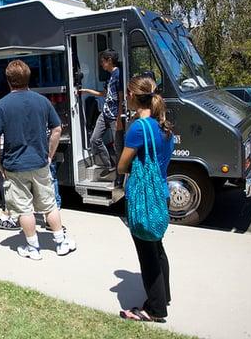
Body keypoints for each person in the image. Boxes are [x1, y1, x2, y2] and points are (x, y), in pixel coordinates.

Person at [0, 60, 76, 260]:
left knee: (24, 208)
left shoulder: (1, 106)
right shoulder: (42, 101)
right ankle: (60, 242)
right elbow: (57, 129)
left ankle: (33, 248)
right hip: (40, 162)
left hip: (14, 165)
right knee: (49, 205)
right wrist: (50, 154)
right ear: (28, 78)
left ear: (8, 81)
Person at [117, 76, 174, 323]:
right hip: (160, 193)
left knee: (147, 255)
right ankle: (164, 296)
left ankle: (155, 309)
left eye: (127, 93)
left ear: (132, 96)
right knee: (157, 249)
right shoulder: (164, 126)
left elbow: (121, 166)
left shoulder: (139, 128)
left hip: (143, 198)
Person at [78, 49, 125, 182]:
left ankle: (120, 177)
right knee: (94, 139)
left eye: (102, 62)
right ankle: (109, 164)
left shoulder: (118, 75)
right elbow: (103, 94)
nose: (101, 64)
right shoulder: (109, 76)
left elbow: (121, 98)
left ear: (109, 60)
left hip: (115, 115)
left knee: (118, 146)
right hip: (105, 113)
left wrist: (119, 118)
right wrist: (86, 91)